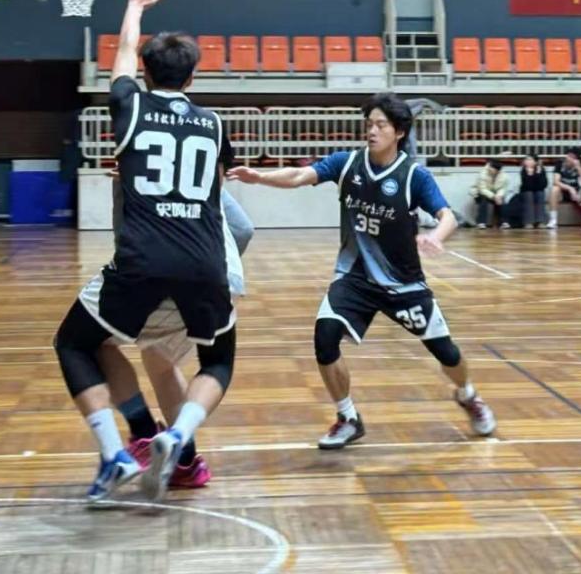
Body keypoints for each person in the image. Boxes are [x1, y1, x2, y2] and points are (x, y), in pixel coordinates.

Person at [53, 0, 239, 503]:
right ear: (193, 79)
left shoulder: (130, 106)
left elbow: (121, 56)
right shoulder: (214, 124)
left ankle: (116, 451)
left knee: (75, 342)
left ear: (144, 72)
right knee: (218, 360)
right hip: (204, 261)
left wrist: (133, 6)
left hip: (142, 259)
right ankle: (178, 439)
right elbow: (214, 184)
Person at [229, 92, 496, 449]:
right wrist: (260, 177)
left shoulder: (413, 176)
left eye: (380, 125)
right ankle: (348, 417)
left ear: (399, 131)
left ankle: (468, 394)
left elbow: (447, 216)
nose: (372, 131)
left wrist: (436, 236)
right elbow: (299, 175)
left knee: (446, 352)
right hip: (354, 278)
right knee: (324, 337)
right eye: (369, 124)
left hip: (403, 283)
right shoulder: (347, 163)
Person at [97, 187, 252, 490]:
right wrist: (225, 258)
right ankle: (185, 459)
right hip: (218, 275)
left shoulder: (134, 164)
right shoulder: (204, 167)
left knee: (89, 342)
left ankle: (144, 432)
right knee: (173, 361)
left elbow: (124, 229)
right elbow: (244, 229)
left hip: (157, 274)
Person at [547, 147, 581, 229]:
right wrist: (570, 189)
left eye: (573, 157)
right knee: (554, 189)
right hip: (563, 192)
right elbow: (556, 181)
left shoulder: (580, 166)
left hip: (577, 193)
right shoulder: (560, 164)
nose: (569, 158)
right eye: (569, 156)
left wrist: (579, 169)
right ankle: (553, 220)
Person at [471, 159, 509, 229]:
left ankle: (504, 222)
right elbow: (482, 189)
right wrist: (494, 196)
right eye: (491, 168)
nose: (492, 170)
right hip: (480, 193)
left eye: (495, 170)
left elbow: (503, 188)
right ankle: (481, 222)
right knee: (483, 199)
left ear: (498, 170)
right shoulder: (482, 174)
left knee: (502, 201)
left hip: (495, 193)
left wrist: (499, 195)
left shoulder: (504, 175)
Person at [517, 154, 548, 228]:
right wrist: (529, 174)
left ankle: (540, 221)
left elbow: (543, 185)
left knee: (540, 194)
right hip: (526, 192)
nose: (528, 161)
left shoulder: (541, 170)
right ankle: (528, 222)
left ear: (535, 162)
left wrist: (538, 174)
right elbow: (526, 187)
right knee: (529, 194)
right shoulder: (523, 171)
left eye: (530, 160)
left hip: (538, 191)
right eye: (526, 160)